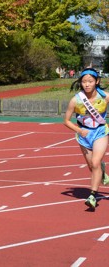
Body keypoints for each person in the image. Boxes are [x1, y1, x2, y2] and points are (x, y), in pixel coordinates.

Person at [64, 68, 109, 210]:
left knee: (95, 162)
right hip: (84, 136)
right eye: (84, 82)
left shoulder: (105, 97)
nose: (87, 84)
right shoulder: (76, 100)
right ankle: (102, 170)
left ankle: (92, 196)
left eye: (90, 81)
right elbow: (66, 121)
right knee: (92, 166)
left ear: (97, 81)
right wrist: (78, 130)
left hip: (101, 132)